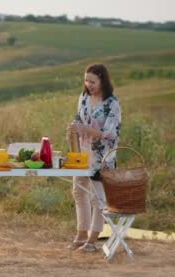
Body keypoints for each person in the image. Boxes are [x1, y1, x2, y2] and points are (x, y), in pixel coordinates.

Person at [67, 64, 121, 252]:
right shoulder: (83, 98)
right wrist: (74, 128)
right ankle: (81, 234)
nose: (88, 84)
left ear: (102, 80)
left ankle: (92, 240)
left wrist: (86, 130)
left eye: (92, 81)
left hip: (102, 158)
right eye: (86, 80)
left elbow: (110, 133)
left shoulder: (112, 104)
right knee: (79, 192)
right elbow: (78, 119)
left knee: (97, 198)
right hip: (82, 154)